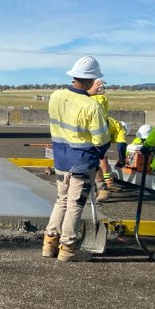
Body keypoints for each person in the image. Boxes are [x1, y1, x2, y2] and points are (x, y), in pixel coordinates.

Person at [43, 56, 110, 262]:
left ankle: (49, 243)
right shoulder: (92, 106)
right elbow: (101, 140)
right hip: (82, 161)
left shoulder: (55, 96)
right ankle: (69, 248)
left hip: (61, 158)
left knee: (61, 201)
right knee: (74, 204)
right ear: (91, 81)